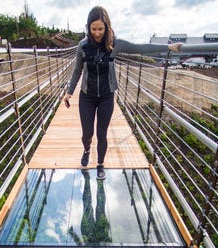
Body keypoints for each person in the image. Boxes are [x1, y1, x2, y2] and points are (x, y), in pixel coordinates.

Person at [63, 6, 182, 180]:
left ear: (107, 27)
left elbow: (141, 48)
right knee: (87, 133)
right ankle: (87, 149)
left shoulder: (114, 44)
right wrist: (69, 92)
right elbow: (77, 70)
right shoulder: (82, 46)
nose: (97, 33)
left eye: (101, 29)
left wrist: (169, 47)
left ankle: (100, 164)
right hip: (86, 96)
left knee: (102, 133)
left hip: (106, 96)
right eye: (93, 29)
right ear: (88, 27)